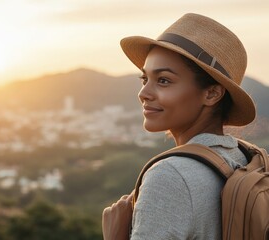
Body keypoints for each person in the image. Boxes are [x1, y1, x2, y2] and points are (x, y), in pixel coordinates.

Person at [102, 13, 256, 240]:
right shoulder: (244, 157)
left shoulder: (170, 176)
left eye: (163, 80)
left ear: (212, 93)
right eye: (145, 79)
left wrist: (115, 236)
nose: (143, 93)